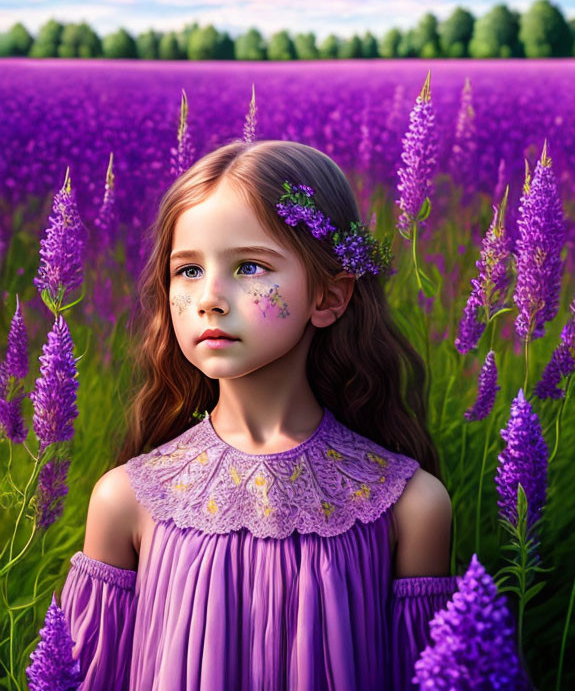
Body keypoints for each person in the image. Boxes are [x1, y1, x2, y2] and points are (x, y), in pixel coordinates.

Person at [58, 140, 459, 690]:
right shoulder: (126, 499)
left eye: (249, 266)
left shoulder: (410, 506)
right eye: (188, 270)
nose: (211, 299)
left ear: (330, 297)